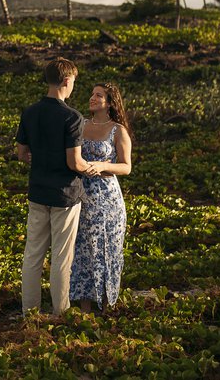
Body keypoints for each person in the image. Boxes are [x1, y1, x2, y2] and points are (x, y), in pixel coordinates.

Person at [15, 57, 95, 316]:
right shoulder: (72, 117)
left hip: (38, 191)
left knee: (32, 255)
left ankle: (30, 312)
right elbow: (74, 162)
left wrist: (40, 157)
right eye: (74, 82)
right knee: (61, 258)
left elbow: (21, 154)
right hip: (65, 194)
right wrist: (91, 168)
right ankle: (61, 313)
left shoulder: (30, 112)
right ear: (67, 81)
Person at [69, 82, 133, 312]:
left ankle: (106, 306)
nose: (92, 98)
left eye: (98, 95)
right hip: (82, 196)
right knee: (83, 250)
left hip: (108, 199)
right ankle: (84, 308)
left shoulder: (118, 130)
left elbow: (126, 167)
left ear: (110, 102)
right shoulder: (81, 125)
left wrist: (103, 165)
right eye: (92, 94)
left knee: (108, 249)